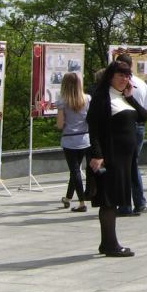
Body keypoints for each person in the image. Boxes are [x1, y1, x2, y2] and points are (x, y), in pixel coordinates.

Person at [86, 60, 146, 256]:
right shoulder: (102, 97)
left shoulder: (123, 98)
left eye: (127, 76)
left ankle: (107, 243)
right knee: (108, 201)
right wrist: (97, 154)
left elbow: (143, 116)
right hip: (109, 157)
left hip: (125, 159)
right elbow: (93, 128)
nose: (124, 79)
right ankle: (110, 245)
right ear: (110, 76)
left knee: (114, 200)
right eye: (120, 75)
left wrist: (131, 98)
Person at [114, 53, 147, 216]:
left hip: (127, 128)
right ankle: (139, 200)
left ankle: (126, 204)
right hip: (140, 127)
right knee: (132, 164)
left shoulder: (122, 85)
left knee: (126, 165)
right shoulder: (142, 83)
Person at [56, 71, 89, 212]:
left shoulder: (62, 101)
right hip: (84, 138)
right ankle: (68, 198)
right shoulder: (87, 99)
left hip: (69, 139)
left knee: (75, 170)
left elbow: (59, 124)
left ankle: (82, 202)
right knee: (75, 170)